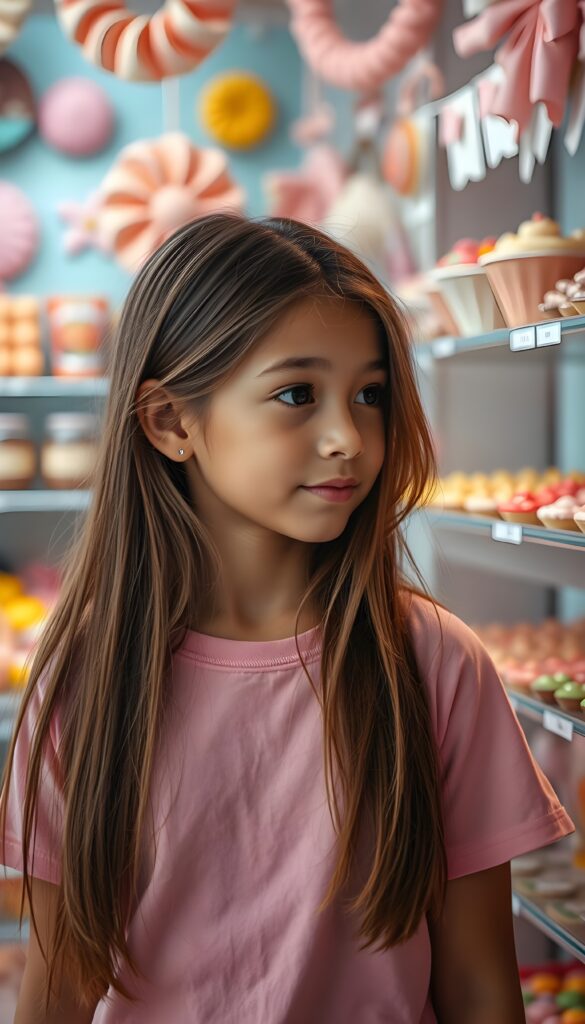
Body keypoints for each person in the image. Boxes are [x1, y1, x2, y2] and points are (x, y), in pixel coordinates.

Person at [0, 213, 574, 1024]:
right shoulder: (88, 678)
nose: (348, 437)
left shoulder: (436, 662)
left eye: (369, 395)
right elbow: (57, 989)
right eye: (296, 394)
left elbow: (480, 989)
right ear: (170, 423)